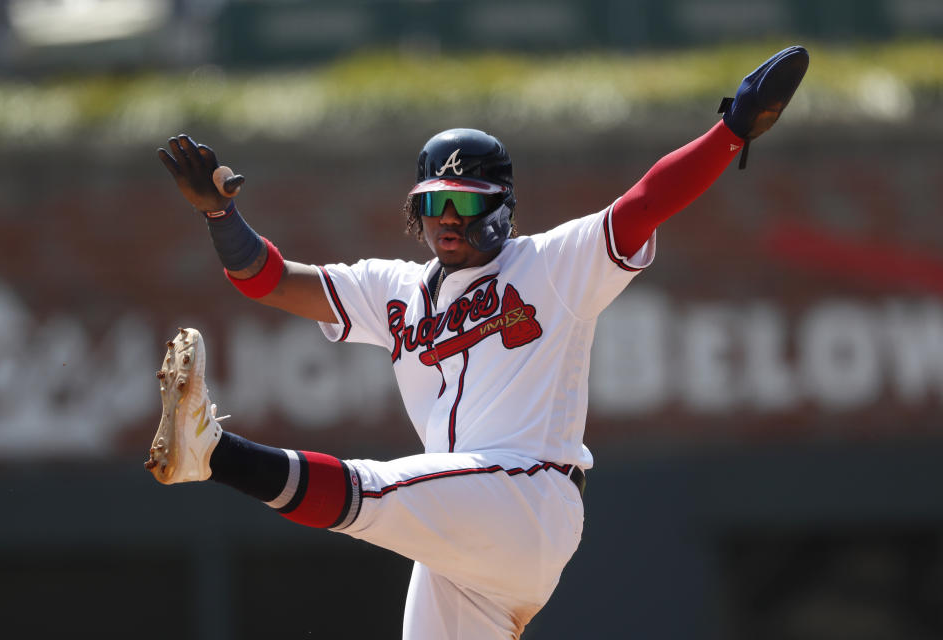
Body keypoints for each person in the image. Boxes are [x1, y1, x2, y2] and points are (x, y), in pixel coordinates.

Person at [147, 46, 808, 639]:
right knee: (396, 499)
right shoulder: (393, 288)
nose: (448, 221)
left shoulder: (551, 265)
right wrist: (219, 214)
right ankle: (209, 453)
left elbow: (643, 203)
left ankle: (213, 451)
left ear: (501, 207)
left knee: (374, 492)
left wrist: (729, 132)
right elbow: (267, 280)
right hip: (463, 531)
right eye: (435, 205)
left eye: (465, 204)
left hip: (525, 498)